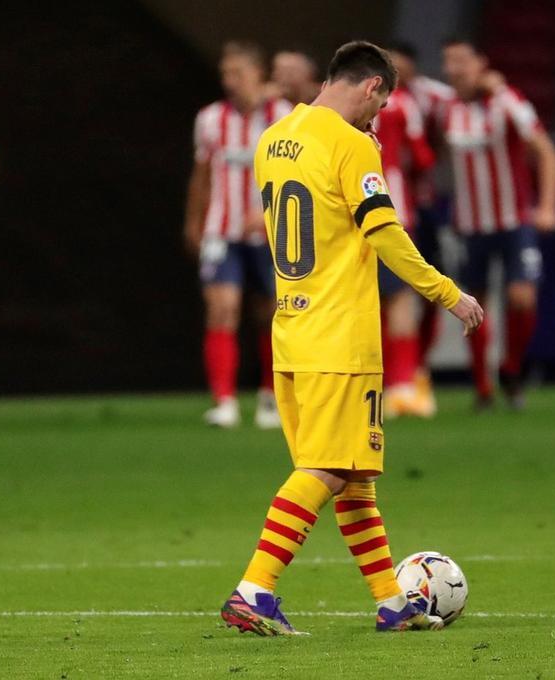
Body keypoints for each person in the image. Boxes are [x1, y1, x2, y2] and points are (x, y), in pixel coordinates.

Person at [220, 40, 483, 636]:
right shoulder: (352, 145)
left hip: (292, 330)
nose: (379, 117)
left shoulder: (274, 137)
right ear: (370, 87)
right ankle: (254, 588)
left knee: (353, 476)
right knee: (328, 469)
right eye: (382, 103)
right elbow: (385, 233)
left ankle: (392, 602)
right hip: (341, 336)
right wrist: (447, 292)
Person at [435, 36, 555, 409]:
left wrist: (549, 206)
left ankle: (510, 367)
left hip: (514, 219)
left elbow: (547, 152)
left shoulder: (507, 101)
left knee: (521, 296)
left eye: (461, 61)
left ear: (481, 64)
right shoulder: (446, 109)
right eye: (448, 62)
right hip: (470, 223)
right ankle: (482, 386)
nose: (453, 70)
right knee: (471, 302)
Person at [183, 41, 291, 428]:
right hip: (222, 230)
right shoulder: (211, 118)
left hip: (272, 231)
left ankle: (270, 396)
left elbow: (300, 176)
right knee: (221, 308)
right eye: (225, 74)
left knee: (272, 314)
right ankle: (224, 401)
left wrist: (268, 215)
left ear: (258, 74)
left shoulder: (284, 115)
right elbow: (203, 173)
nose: (229, 81)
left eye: (237, 73)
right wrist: (193, 221)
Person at [372, 80, 436, 417]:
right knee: (399, 299)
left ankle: (374, 387)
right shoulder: (403, 102)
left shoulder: (330, 107)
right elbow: (424, 157)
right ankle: (403, 386)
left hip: (350, 212)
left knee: (365, 302)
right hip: (395, 209)